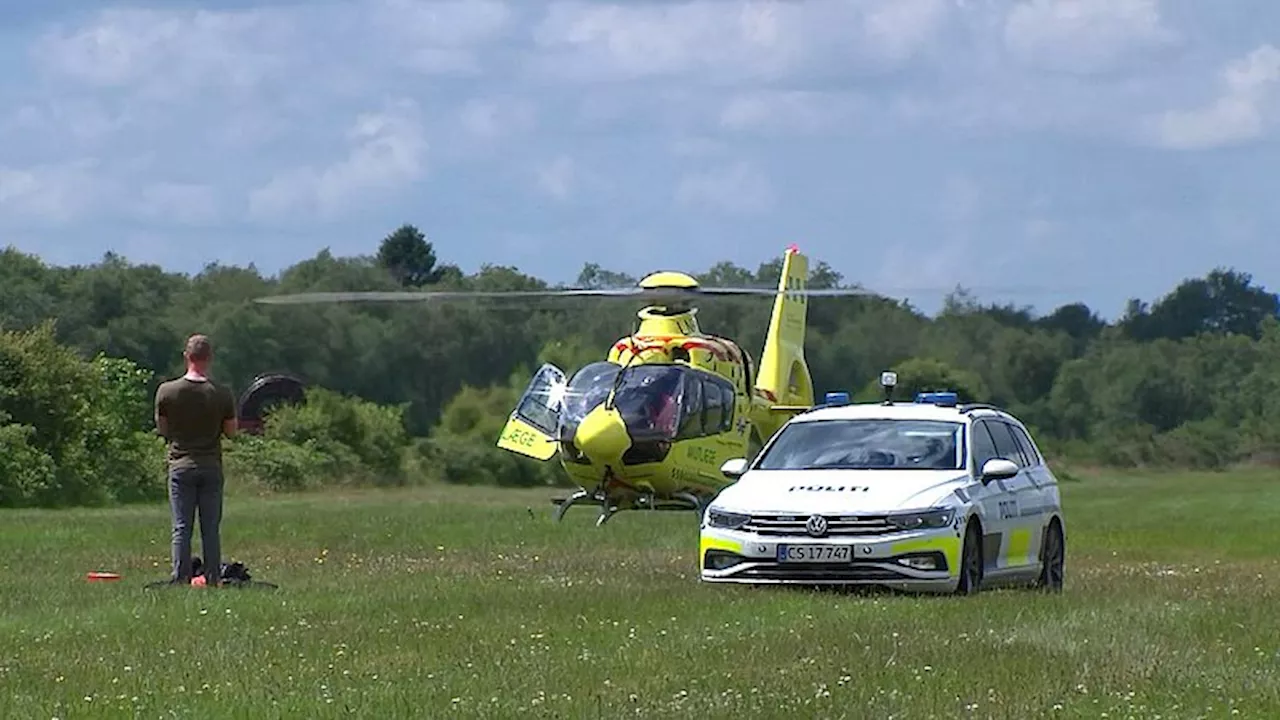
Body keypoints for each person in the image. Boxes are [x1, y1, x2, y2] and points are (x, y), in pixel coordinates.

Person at [154, 334, 238, 587]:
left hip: (180, 464)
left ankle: (180, 577)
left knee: (181, 527)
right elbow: (232, 431)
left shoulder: (167, 391)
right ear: (209, 358)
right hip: (211, 465)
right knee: (210, 528)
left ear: (186, 357)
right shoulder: (222, 393)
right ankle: (213, 577)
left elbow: (163, 429)